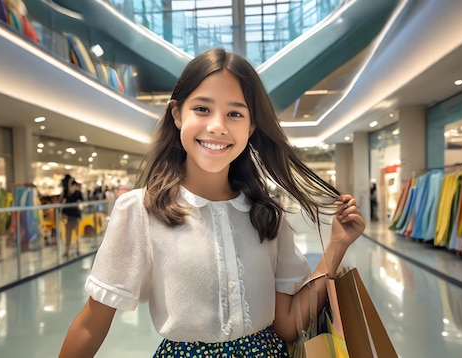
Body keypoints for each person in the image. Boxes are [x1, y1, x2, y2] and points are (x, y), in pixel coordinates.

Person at [59, 48, 364, 357]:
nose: (218, 126)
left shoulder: (266, 214)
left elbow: (286, 325)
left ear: (251, 127)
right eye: (202, 109)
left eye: (235, 113)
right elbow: (91, 324)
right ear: (177, 114)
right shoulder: (141, 211)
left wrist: (337, 244)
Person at [59, 174, 85, 258]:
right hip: (68, 217)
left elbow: (82, 202)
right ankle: (67, 251)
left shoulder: (77, 193)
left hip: (75, 217)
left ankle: (78, 249)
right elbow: (60, 201)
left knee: (77, 234)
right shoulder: (66, 192)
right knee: (68, 235)